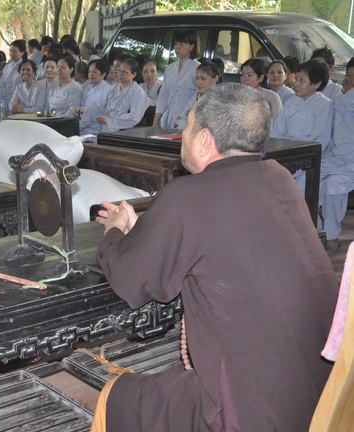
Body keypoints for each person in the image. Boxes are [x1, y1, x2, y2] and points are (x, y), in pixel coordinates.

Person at [91, 83, 337, 432]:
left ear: (205, 140)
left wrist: (115, 230)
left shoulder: (187, 195)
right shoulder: (279, 178)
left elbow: (132, 279)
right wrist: (146, 231)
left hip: (253, 413)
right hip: (324, 396)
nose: (183, 134)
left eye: (188, 126)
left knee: (117, 397)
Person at [271, 59, 334, 194]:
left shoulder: (324, 105)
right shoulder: (292, 101)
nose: (296, 84)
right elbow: (276, 130)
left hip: (307, 155)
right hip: (283, 151)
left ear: (316, 84)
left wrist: (297, 155)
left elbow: (320, 139)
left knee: (297, 183)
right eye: (296, 79)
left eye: (301, 80)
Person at [320, 57, 354, 254]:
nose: (350, 81)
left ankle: (331, 236)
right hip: (335, 156)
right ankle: (315, 230)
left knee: (333, 184)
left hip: (351, 161)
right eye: (348, 75)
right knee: (308, 175)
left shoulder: (345, 99)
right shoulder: (339, 98)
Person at [77, 58, 148, 136]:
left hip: (123, 133)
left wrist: (109, 121)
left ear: (133, 74)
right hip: (104, 130)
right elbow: (98, 106)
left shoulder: (138, 92)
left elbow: (134, 118)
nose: (120, 74)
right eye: (119, 71)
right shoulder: (113, 88)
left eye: (124, 72)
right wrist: (85, 112)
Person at [153, 30, 200, 128]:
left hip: (187, 121)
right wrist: (156, 119)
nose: (177, 47)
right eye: (176, 44)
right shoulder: (170, 68)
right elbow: (163, 96)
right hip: (168, 120)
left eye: (182, 44)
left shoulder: (198, 68)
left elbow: (199, 98)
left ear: (192, 46)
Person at [175, 59, 222, 130]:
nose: (198, 82)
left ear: (215, 79)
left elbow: (200, 127)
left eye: (203, 79)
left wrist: (179, 122)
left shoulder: (219, 99)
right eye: (197, 78)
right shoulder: (196, 96)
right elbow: (182, 117)